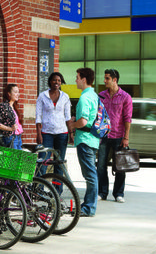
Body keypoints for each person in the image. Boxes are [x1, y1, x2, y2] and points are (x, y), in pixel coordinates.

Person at [97, 69, 133, 203]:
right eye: (105, 78)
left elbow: (127, 118)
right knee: (101, 166)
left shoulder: (125, 97)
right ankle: (102, 192)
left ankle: (119, 193)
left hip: (119, 136)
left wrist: (126, 137)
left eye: (107, 78)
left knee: (120, 167)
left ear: (114, 80)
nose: (104, 81)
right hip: (103, 136)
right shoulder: (101, 96)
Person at [70, 67, 100, 217]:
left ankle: (88, 207)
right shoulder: (94, 95)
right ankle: (88, 205)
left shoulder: (84, 97)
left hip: (85, 140)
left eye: (77, 77)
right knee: (91, 174)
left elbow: (83, 121)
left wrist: (71, 125)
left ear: (84, 79)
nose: (75, 80)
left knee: (90, 175)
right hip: (93, 139)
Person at [35, 72, 73, 177]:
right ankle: (39, 190)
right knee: (43, 161)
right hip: (46, 133)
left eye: (59, 80)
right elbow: (38, 117)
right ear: (50, 81)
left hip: (62, 133)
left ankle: (57, 190)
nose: (57, 82)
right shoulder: (42, 96)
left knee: (59, 163)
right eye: (54, 80)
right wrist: (38, 134)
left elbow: (68, 117)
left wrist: (71, 133)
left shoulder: (65, 97)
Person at [0, 84, 23, 149]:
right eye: (15, 92)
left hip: (18, 137)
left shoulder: (14, 107)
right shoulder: (3, 106)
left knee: (18, 159)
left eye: (18, 92)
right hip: (10, 137)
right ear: (9, 93)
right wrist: (10, 129)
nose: (18, 94)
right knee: (13, 159)